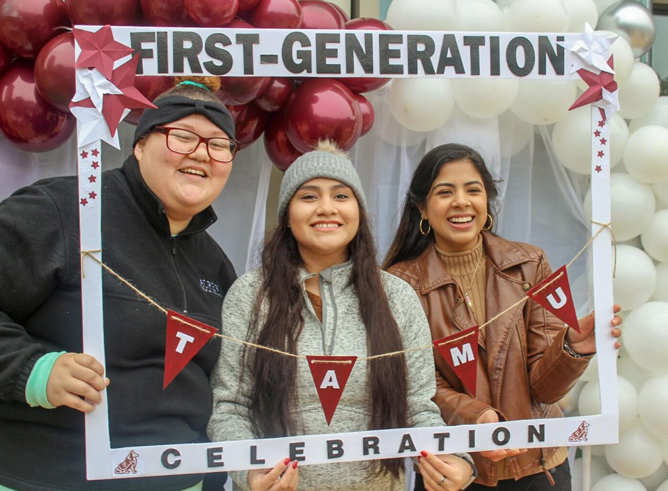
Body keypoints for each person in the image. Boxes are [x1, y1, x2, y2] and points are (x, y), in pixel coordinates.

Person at [0, 77, 238, 491]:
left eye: (219, 145)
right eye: (182, 136)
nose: (201, 152)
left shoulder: (217, 265)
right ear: (140, 144)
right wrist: (33, 371)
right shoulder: (62, 211)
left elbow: (221, 390)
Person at [207, 141, 477, 491]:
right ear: (287, 216)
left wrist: (454, 459)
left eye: (340, 196)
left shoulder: (396, 298)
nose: (325, 208)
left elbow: (418, 407)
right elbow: (231, 407)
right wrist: (248, 472)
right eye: (308, 197)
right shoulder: (250, 295)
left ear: (359, 212)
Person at [383, 143, 623, 491]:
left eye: (473, 190)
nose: (462, 202)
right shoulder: (398, 284)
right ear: (422, 207)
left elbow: (543, 388)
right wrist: (475, 417)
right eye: (445, 192)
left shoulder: (529, 264)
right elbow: (411, 386)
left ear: (487, 202)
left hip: (539, 467)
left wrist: (573, 349)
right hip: (455, 470)